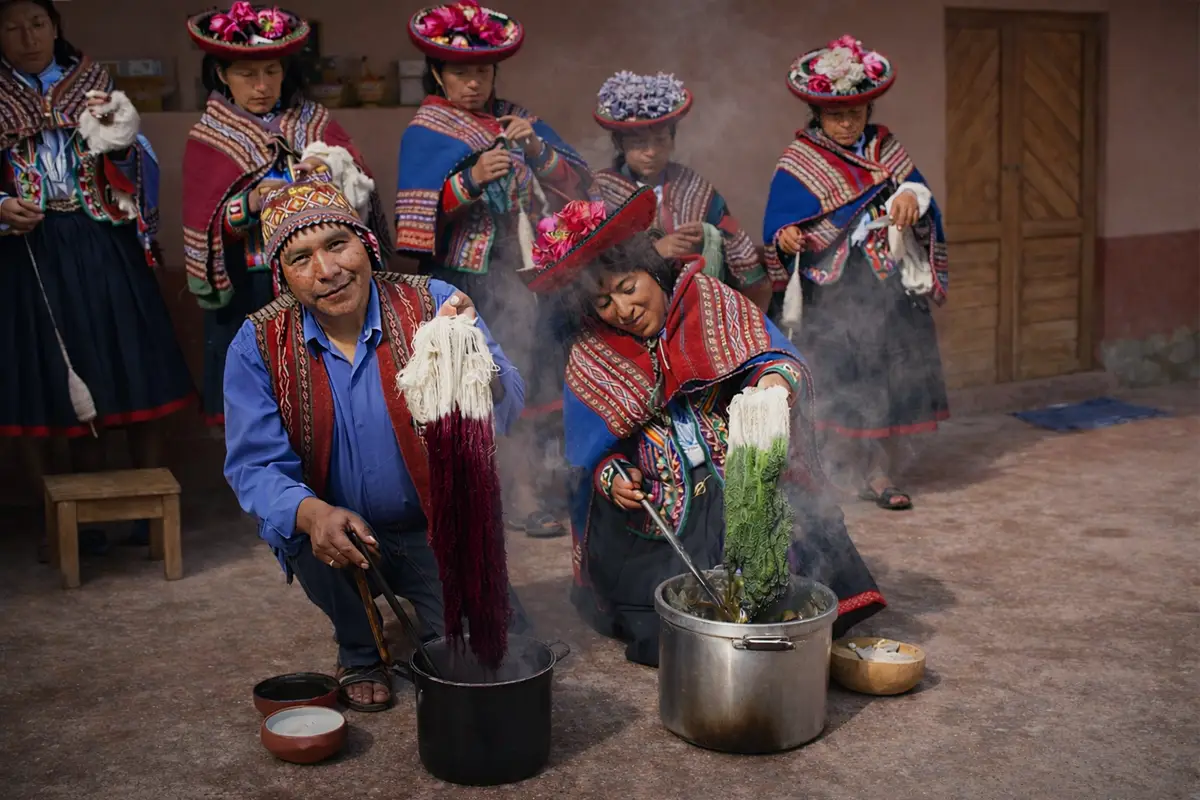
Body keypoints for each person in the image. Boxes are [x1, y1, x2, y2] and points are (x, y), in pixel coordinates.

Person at [524, 187, 885, 667]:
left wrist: (774, 385)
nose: (623, 309)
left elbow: (775, 357)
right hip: (661, 504)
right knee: (669, 622)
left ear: (651, 269)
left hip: (737, 470)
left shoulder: (707, 299)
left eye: (628, 287)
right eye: (603, 302)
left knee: (792, 540)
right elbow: (590, 450)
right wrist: (612, 476)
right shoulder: (591, 352)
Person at [223, 177, 531, 711]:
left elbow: (510, 397)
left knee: (483, 651)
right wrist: (313, 513)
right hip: (336, 538)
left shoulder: (432, 302)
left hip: (432, 522)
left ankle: (433, 597)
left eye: (337, 245)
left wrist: (470, 356)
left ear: (366, 243)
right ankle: (361, 649)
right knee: (292, 523)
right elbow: (254, 466)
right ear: (283, 276)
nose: (327, 271)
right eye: (301, 258)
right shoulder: (257, 344)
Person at [396, 0, 597, 539]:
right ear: (437, 73)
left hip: (529, 274)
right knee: (486, 382)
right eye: (461, 72)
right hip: (469, 277)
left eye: (481, 71)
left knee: (534, 381)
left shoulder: (516, 119)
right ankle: (508, 493)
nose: (472, 83)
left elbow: (577, 183)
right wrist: (471, 179)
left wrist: (535, 147)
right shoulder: (427, 130)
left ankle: (539, 484)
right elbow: (417, 214)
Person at [0, 0, 195, 554]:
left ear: (56, 26)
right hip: (28, 252)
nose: (28, 36)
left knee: (132, 361)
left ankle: (142, 514)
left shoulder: (91, 82)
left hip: (102, 242)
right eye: (12, 27)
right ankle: (61, 519)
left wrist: (122, 141)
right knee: (42, 375)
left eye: (38, 23)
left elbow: (138, 164)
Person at [763, 35, 950, 511]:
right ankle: (834, 468)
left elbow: (922, 200)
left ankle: (880, 471)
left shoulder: (886, 148)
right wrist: (787, 238)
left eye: (856, 112)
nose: (847, 122)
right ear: (816, 114)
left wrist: (912, 199)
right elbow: (781, 225)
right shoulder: (800, 160)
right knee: (839, 377)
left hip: (886, 284)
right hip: (833, 290)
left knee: (891, 375)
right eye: (836, 114)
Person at [184, 2, 392, 427]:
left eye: (272, 71)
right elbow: (209, 224)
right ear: (222, 74)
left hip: (324, 279)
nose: (262, 85)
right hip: (255, 286)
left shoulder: (315, 122)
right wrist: (251, 203)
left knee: (326, 397)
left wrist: (331, 171)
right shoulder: (210, 137)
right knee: (265, 400)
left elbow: (362, 194)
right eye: (247, 74)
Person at [591, 71, 774, 311]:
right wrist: (655, 253)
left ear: (673, 140)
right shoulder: (600, 192)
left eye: (661, 140)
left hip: (694, 308)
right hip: (630, 312)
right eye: (639, 144)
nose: (652, 152)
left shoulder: (694, 187)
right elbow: (593, 261)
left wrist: (708, 237)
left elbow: (733, 240)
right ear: (620, 145)